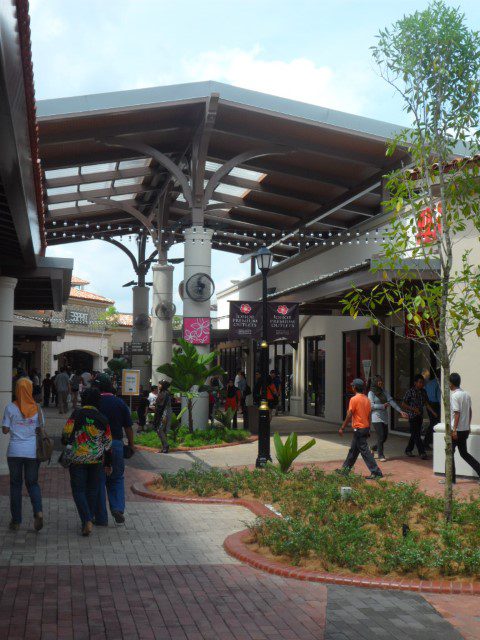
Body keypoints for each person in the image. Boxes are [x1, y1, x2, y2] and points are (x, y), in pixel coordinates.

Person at [62, 387, 112, 536]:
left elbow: (65, 435)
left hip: (77, 459)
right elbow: (108, 444)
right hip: (96, 460)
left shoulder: (76, 414)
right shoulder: (102, 418)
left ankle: (87, 520)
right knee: (92, 491)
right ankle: (88, 519)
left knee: (78, 490)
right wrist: (108, 463)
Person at [2, 377, 44, 531]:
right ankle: (38, 511)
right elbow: (40, 429)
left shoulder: (10, 408)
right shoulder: (37, 408)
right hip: (32, 452)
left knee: (15, 485)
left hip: (14, 452)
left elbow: (5, 430)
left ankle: (16, 520)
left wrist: (15, 425)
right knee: (32, 483)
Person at [95, 374, 134, 524]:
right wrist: (131, 445)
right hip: (117, 443)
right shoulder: (120, 403)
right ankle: (117, 508)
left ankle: (101, 517)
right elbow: (128, 427)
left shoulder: (95, 403)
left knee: (98, 480)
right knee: (116, 478)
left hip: (98, 444)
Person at [439, 373, 480, 485]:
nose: (448, 384)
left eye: (448, 382)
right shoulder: (466, 394)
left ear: (451, 383)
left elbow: (457, 413)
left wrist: (455, 430)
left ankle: (450, 480)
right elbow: (470, 411)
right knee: (464, 453)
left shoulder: (455, 396)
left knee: (449, 453)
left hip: (456, 430)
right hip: (465, 429)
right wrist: (468, 425)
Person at [338, 378, 383, 479]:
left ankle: (376, 472)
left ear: (354, 388)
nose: (352, 387)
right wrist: (369, 428)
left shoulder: (354, 399)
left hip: (358, 429)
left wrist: (342, 427)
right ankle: (345, 470)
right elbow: (368, 416)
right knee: (353, 451)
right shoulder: (367, 399)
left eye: (352, 385)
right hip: (365, 428)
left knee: (365, 452)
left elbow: (349, 415)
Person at [368, 375, 407, 461]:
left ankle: (373, 448)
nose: (380, 382)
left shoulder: (384, 391)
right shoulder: (371, 393)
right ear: (375, 382)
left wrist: (400, 411)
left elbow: (391, 401)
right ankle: (381, 455)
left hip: (384, 417)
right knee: (381, 436)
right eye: (378, 381)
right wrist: (382, 406)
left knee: (384, 437)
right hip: (376, 417)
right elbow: (371, 406)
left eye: (381, 381)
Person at [402, 374, 438, 460]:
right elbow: (403, 404)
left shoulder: (423, 392)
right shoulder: (410, 392)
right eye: (420, 382)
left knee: (415, 434)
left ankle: (408, 450)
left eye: (423, 382)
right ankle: (422, 452)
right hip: (412, 416)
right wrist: (413, 409)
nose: (422, 384)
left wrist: (433, 413)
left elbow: (426, 403)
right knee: (417, 435)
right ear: (415, 383)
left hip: (420, 416)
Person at [153, 381, 172, 453]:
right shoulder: (162, 393)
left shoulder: (165, 393)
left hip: (164, 413)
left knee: (160, 430)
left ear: (163, 385)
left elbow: (165, 406)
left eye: (160, 384)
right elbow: (159, 403)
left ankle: (166, 446)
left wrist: (164, 416)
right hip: (160, 413)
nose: (158, 385)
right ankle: (164, 447)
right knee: (161, 430)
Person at [424, 370, 441, 449]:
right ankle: (427, 442)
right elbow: (439, 397)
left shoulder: (429, 383)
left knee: (432, 423)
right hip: (435, 405)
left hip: (428, 404)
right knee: (435, 424)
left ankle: (428, 441)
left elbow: (425, 391)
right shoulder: (438, 383)